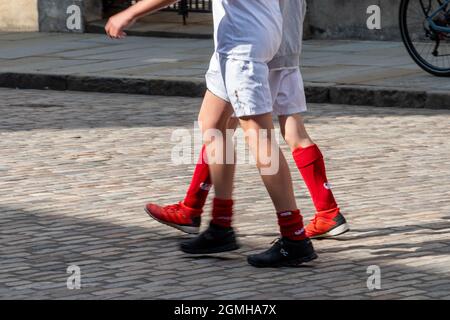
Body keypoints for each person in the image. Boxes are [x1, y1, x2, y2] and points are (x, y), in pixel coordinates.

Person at [106, 0, 336, 267]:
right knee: (212, 124)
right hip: (241, 38)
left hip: (244, 43)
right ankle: (220, 226)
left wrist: (130, 12)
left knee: (259, 138)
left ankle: (294, 237)